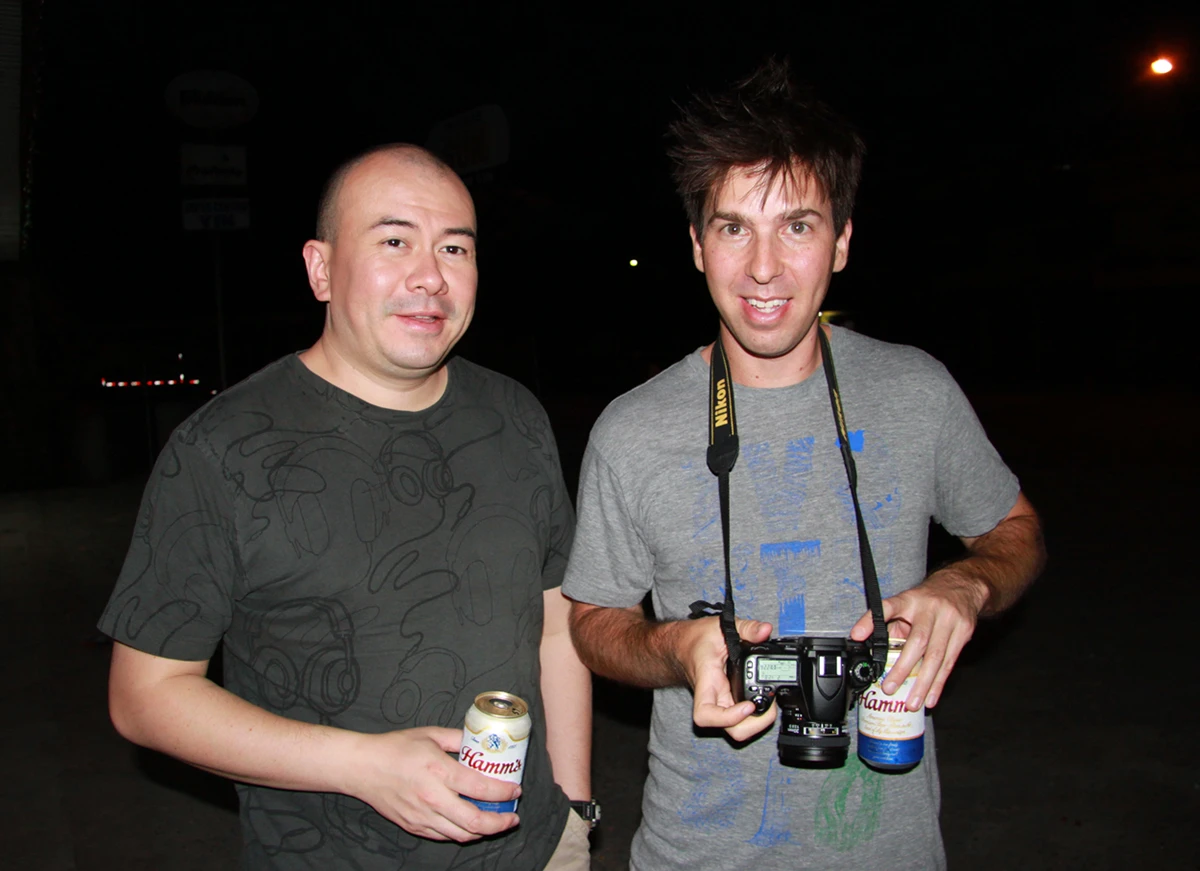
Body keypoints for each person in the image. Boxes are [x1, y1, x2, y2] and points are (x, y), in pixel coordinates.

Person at [562, 60, 1046, 870]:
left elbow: (1017, 529)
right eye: (732, 227)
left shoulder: (916, 391)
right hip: (696, 851)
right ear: (695, 244)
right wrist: (676, 650)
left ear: (843, 240)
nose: (762, 267)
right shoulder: (631, 427)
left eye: (797, 225)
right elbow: (591, 623)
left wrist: (967, 582)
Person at [99, 144, 594, 870]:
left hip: (539, 849)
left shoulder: (515, 416)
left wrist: (575, 809)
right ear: (321, 269)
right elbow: (145, 695)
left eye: (454, 246)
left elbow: (557, 628)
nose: (430, 276)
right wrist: (362, 765)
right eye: (394, 240)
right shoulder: (221, 450)